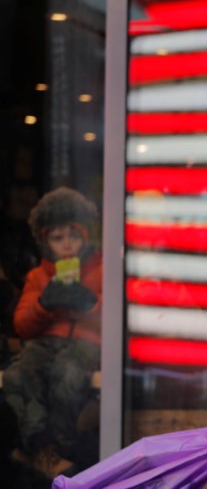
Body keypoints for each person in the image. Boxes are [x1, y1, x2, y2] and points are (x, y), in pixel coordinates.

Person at [3, 187, 102, 479]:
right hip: (45, 342)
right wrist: (44, 303)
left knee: (67, 374)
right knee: (17, 374)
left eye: (73, 235)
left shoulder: (101, 268)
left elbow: (116, 318)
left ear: (86, 236)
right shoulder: (38, 276)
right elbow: (22, 325)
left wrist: (90, 302)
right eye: (58, 238)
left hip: (85, 343)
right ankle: (42, 448)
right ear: (45, 243)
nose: (67, 245)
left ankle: (59, 449)